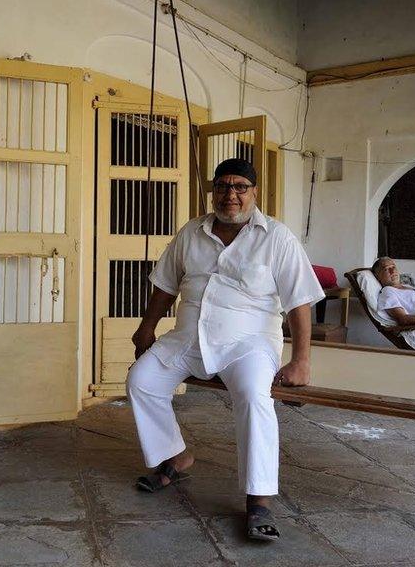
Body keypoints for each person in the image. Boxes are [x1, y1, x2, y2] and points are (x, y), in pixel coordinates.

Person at [126, 158, 324, 542]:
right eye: (222, 187)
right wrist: (146, 327)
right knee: (142, 381)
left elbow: (300, 302)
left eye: (239, 187)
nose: (230, 195)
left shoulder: (278, 238)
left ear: (254, 192)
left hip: (246, 343)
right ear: (213, 190)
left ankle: (259, 499)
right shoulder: (191, 232)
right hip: (188, 338)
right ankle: (176, 457)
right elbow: (165, 284)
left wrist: (300, 360)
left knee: (253, 395)